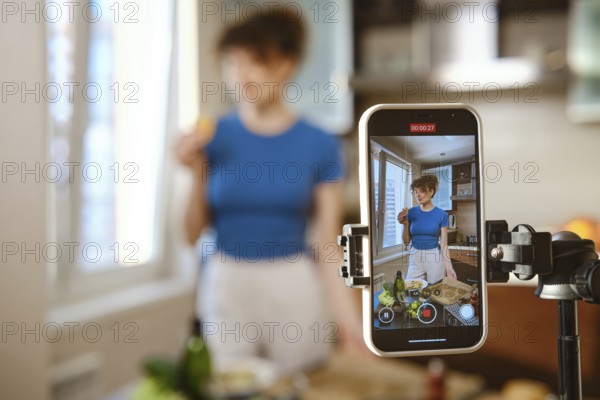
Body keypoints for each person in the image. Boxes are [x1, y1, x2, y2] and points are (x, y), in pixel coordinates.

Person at [175, 8, 364, 373]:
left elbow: (327, 244)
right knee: (225, 385)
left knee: (299, 386)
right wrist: (195, 173)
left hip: (292, 284)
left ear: (286, 66)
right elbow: (190, 234)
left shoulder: (320, 144)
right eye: (232, 63)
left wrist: (350, 324)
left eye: (255, 63)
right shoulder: (212, 137)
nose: (240, 77)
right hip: (226, 280)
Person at [397, 175, 457, 283]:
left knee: (435, 292)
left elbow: (443, 244)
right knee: (411, 290)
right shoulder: (410, 213)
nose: (418, 195)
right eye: (415, 191)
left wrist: (449, 268)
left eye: (422, 191)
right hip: (415, 257)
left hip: (434, 258)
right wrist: (405, 224)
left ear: (431, 191)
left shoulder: (441, 214)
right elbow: (406, 242)